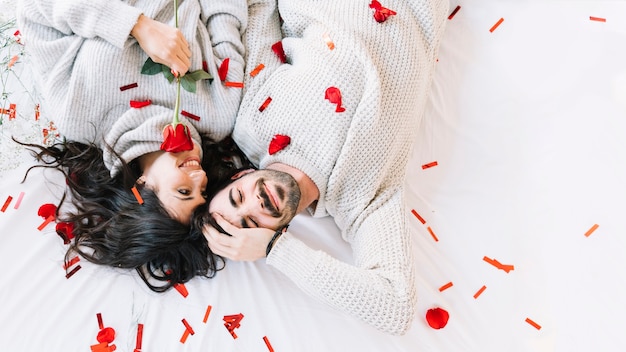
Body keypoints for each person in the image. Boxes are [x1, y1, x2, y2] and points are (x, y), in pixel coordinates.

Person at [202, 0, 449, 335]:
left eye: (236, 198)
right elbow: (396, 307)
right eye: (249, 224)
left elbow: (258, 9)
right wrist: (276, 252)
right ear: (269, 234)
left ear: (240, 176)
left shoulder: (250, 123)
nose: (253, 203)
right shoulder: (362, 202)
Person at [15, 0, 248, 291]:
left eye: (184, 191)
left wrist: (136, 25)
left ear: (141, 186)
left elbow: (35, 10)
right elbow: (227, 18)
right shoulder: (218, 116)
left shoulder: (80, 116)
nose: (200, 177)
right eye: (202, 191)